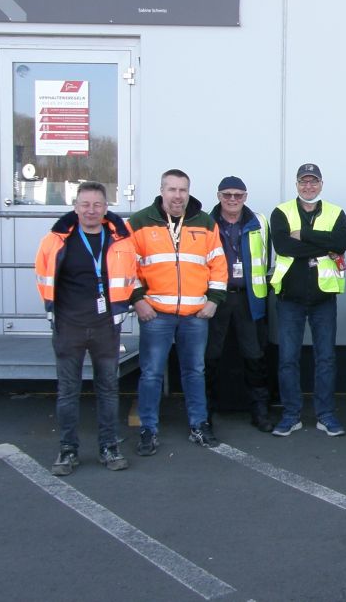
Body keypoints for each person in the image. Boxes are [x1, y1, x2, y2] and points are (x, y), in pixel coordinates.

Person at [35, 181, 138, 474]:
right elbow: (43, 276)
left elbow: (131, 276)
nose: (91, 211)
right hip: (70, 326)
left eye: (97, 205)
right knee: (68, 391)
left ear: (106, 208)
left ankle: (109, 447)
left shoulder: (120, 239)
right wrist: (53, 312)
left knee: (108, 389)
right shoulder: (56, 240)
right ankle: (68, 450)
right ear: (75, 207)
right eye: (85, 205)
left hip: (106, 326)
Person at [130, 169, 227, 455]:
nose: (177, 196)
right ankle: (148, 429)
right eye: (171, 189)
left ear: (189, 191)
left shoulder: (205, 222)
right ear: (161, 190)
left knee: (195, 371)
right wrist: (138, 300)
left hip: (195, 314)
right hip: (155, 313)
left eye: (182, 190)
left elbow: (218, 264)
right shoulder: (140, 222)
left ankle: (199, 424)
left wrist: (214, 300)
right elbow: (127, 267)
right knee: (151, 373)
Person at [269, 163, 346, 436]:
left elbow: (340, 243)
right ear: (296, 184)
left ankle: (325, 414)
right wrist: (322, 244)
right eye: (303, 182)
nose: (308, 186)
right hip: (289, 299)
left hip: (323, 298)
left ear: (321, 184)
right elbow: (283, 246)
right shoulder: (281, 212)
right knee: (288, 359)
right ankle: (291, 414)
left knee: (325, 358)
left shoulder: (336, 212)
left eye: (313, 181)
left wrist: (303, 235)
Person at [204, 176, 273, 433]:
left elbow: (265, 260)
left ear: (245, 196)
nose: (232, 199)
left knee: (255, 355)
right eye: (227, 195)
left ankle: (260, 411)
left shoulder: (260, 222)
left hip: (249, 297)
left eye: (238, 195)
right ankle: (205, 413)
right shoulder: (205, 223)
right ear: (219, 196)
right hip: (215, 298)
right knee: (210, 356)